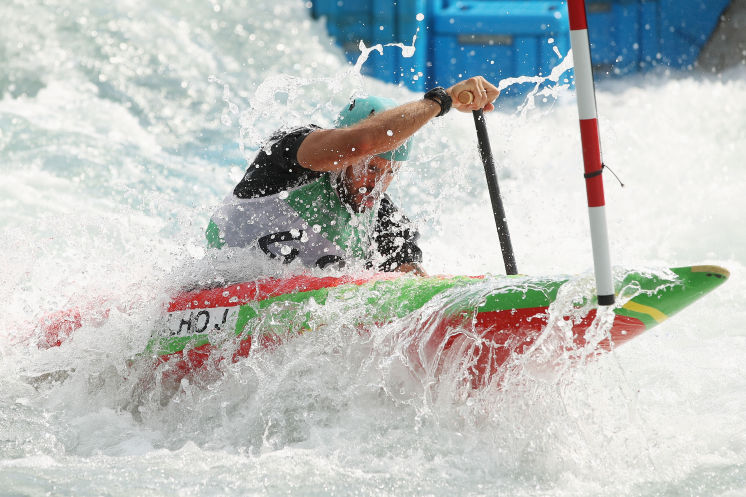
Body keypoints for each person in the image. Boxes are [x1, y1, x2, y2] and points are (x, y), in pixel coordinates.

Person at [206, 76, 500, 275]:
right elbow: (362, 143)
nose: (377, 184)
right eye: (371, 168)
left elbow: (408, 294)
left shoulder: (387, 225)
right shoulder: (290, 157)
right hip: (203, 299)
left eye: (389, 173)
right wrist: (441, 100)